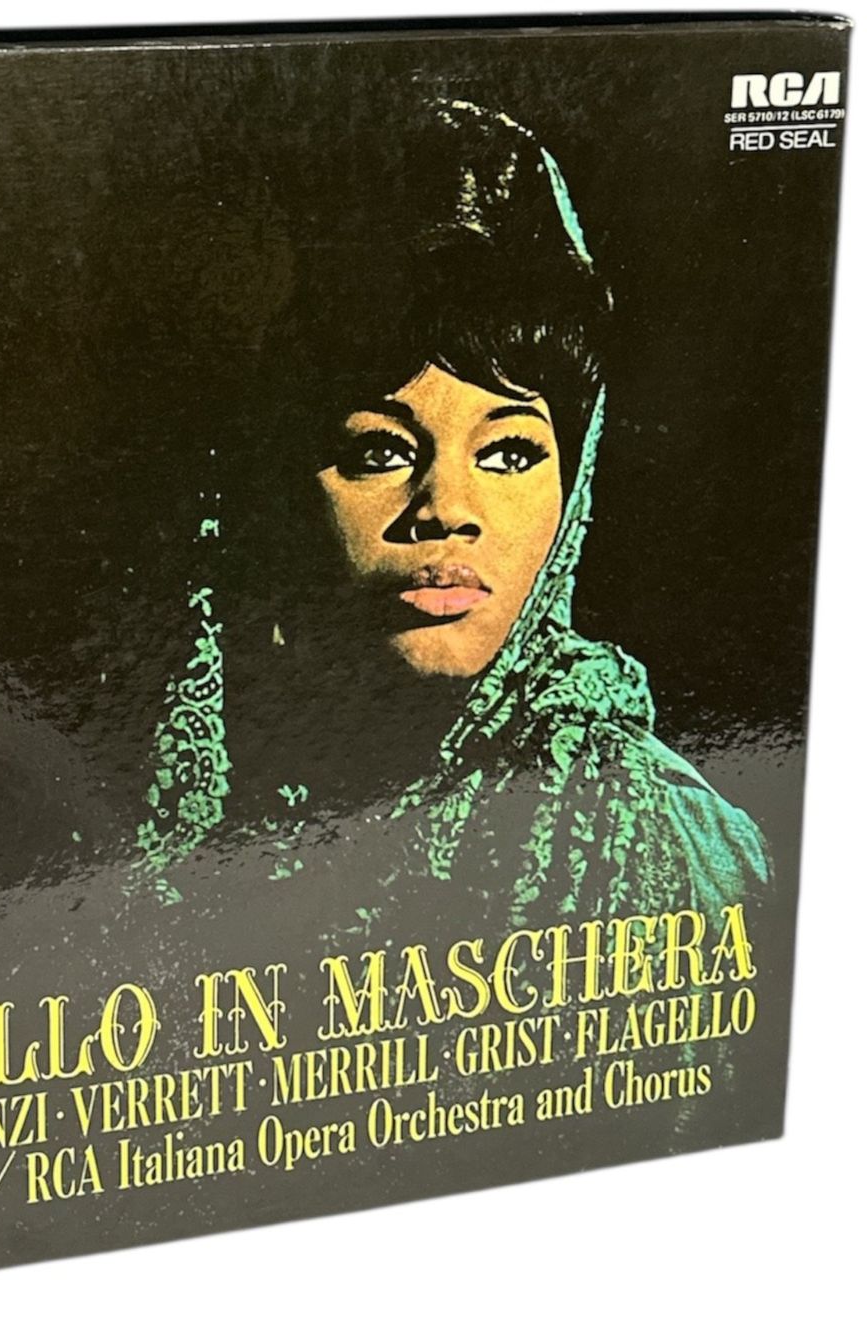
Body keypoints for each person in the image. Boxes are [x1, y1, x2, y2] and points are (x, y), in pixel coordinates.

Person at [129, 94, 771, 939]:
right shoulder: (172, 795)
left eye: (507, 454)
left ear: (572, 489)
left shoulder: (669, 844)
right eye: (380, 452)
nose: (445, 511)